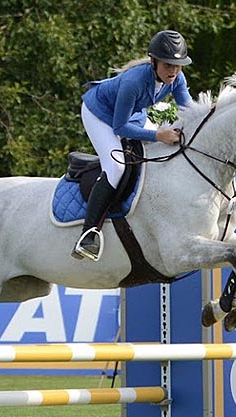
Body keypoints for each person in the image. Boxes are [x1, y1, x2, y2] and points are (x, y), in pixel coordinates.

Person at [72, 29, 196, 261]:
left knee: (160, 153)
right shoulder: (133, 82)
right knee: (117, 166)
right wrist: (159, 135)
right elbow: (119, 129)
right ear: (154, 61)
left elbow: (189, 110)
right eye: (168, 65)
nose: (173, 70)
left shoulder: (177, 78)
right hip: (100, 114)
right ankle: (89, 233)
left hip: (133, 114)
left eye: (177, 65)